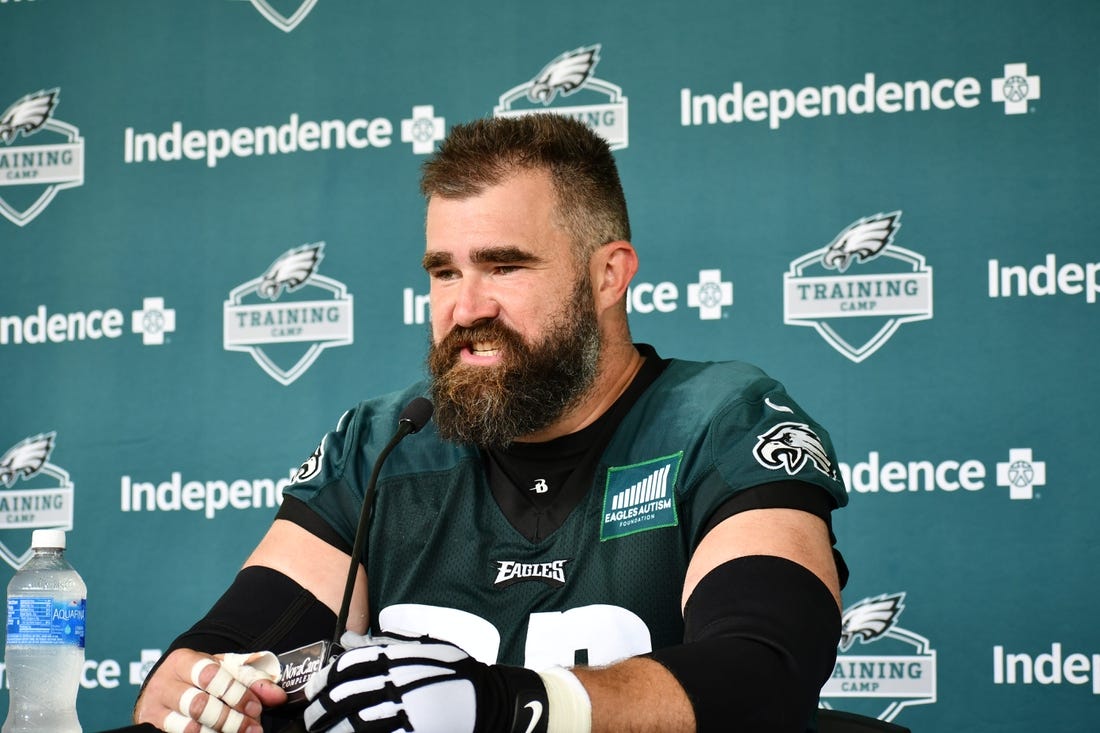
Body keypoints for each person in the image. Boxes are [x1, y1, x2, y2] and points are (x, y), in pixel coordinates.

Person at [134, 114, 849, 733]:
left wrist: (513, 706)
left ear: (609, 275)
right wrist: (200, 690)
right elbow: (219, 651)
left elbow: (766, 674)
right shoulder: (389, 442)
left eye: (504, 266)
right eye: (444, 272)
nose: (466, 307)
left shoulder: (719, 421)